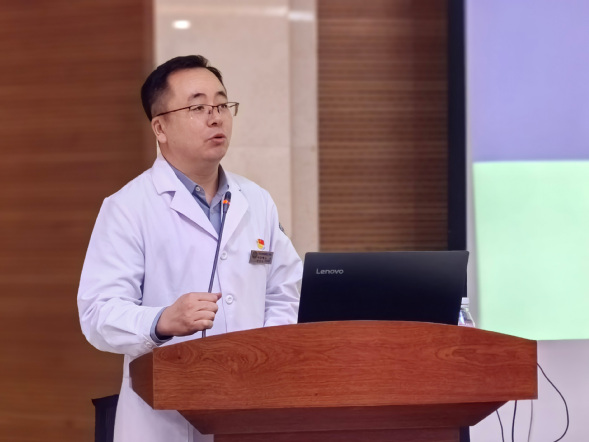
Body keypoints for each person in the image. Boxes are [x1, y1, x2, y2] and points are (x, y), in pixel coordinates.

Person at [77, 55, 302, 442]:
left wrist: (261, 355)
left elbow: (285, 291)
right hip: (164, 418)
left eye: (222, 105)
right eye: (198, 107)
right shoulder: (128, 207)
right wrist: (162, 320)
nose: (216, 118)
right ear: (160, 127)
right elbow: (98, 313)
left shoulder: (256, 201)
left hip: (249, 407)